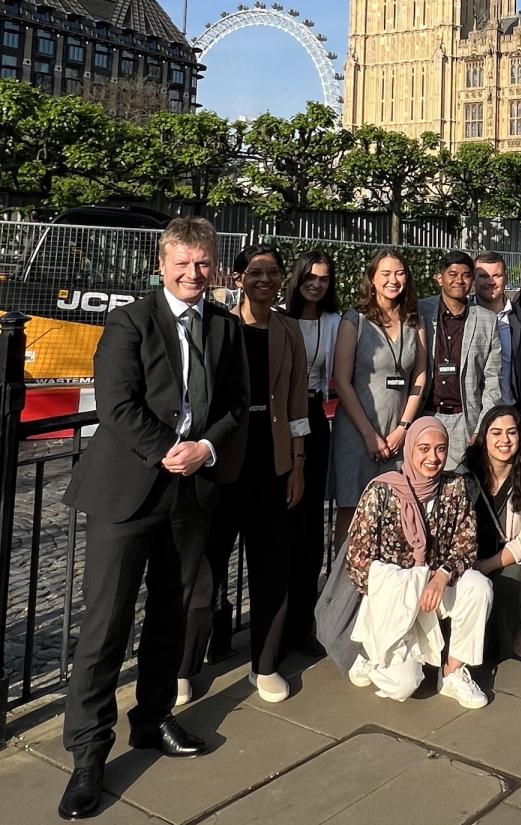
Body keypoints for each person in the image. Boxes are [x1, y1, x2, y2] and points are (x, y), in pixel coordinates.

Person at [58, 217, 247, 820]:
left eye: (204, 263)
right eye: (183, 263)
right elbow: (115, 401)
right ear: (162, 265)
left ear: (215, 264)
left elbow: (237, 402)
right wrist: (169, 448)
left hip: (189, 495)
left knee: (172, 614)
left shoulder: (223, 325)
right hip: (127, 493)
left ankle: (153, 718)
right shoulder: (130, 320)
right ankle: (88, 754)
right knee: (105, 626)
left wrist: (206, 449)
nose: (194, 274)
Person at [180, 243, 310, 705]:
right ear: (238, 278)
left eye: (273, 273)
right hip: (221, 465)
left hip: (272, 464)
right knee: (204, 572)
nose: (265, 279)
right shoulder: (219, 326)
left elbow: (297, 402)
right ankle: (185, 666)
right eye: (255, 271)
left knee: (272, 567)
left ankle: (265, 663)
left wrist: (297, 463)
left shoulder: (288, 330)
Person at [343, 417, 494, 709]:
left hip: (433, 592)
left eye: (440, 449)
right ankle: (372, 658)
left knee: (478, 586)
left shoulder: (454, 488)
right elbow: (357, 562)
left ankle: (452, 672)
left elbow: (467, 543)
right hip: (394, 599)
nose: (433, 458)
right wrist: (409, 585)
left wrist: (440, 577)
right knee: (404, 686)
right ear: (410, 450)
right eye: (424, 448)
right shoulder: (382, 491)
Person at [331, 248, 427, 549]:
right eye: (385, 273)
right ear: (372, 279)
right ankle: (342, 586)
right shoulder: (355, 320)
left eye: (399, 273)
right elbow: (343, 382)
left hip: (398, 433)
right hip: (358, 431)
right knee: (352, 509)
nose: (393, 280)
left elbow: (420, 378)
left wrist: (403, 427)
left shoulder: (415, 320)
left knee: (395, 510)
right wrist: (370, 436)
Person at [283, 249, 340, 657]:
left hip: (314, 418)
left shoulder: (333, 323)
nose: (317, 283)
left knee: (309, 530)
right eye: (311, 276)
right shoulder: (280, 320)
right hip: (279, 421)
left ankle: (303, 622)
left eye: (324, 277)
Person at [464, 405, 521, 662]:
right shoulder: (467, 474)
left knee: (506, 584)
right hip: (471, 550)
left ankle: (518, 624)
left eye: (511, 432)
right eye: (496, 432)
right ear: (484, 437)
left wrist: (486, 566)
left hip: (510, 555)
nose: (504, 440)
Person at [418, 250, 502, 473]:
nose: (459, 280)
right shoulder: (420, 311)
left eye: (466, 275)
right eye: (452, 274)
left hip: (465, 421)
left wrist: (482, 427)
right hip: (425, 414)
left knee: (463, 491)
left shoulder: (487, 320)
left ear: (472, 281)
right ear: (440, 278)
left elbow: (493, 381)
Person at [473, 251, 521, 437]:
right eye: (483, 276)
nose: (490, 282)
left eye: (496, 275)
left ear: (505, 277)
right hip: (473, 418)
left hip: (514, 414)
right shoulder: (464, 316)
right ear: (474, 279)